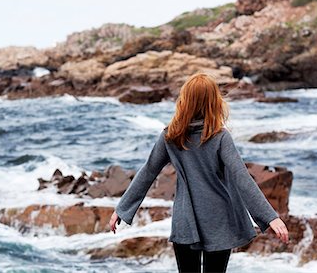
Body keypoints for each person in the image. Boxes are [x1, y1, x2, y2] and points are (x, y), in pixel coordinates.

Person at [109, 72, 289, 272]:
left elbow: (148, 171)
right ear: (214, 102)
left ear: (184, 100)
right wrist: (269, 217)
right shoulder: (220, 137)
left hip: (185, 221)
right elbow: (241, 177)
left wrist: (122, 209)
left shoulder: (171, 136)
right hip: (219, 221)